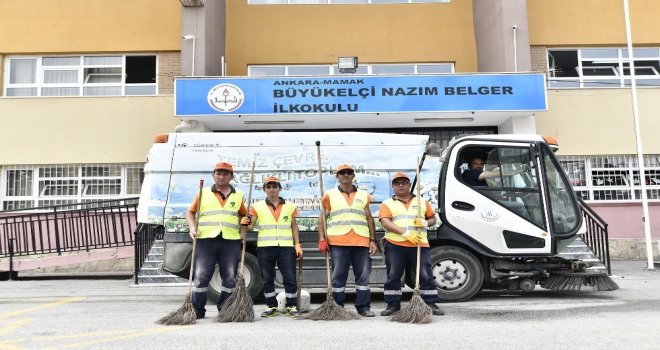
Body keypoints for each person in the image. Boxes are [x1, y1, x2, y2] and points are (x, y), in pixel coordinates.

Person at [186, 161, 247, 320]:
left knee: (229, 276)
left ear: (231, 177)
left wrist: (242, 228)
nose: (222, 176)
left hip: (230, 240)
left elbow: (243, 215)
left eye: (226, 174)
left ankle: (225, 309)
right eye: (219, 173)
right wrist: (192, 228)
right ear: (213, 175)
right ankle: (197, 309)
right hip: (206, 239)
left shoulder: (238, 195)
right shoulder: (202, 192)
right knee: (202, 275)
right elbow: (190, 212)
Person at [379, 172, 444, 316]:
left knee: (425, 275)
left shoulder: (421, 201)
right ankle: (393, 304)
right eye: (397, 183)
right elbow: (385, 222)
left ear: (409, 185)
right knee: (394, 275)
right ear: (393, 187)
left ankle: (431, 303)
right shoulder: (387, 203)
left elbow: (432, 219)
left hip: (419, 244)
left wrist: (426, 222)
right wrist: (405, 233)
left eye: (404, 182)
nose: (401, 185)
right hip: (395, 244)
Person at [317, 164, 378, 317]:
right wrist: (322, 239)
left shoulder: (363, 195)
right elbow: (322, 220)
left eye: (349, 172)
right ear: (337, 176)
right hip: (338, 241)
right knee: (338, 277)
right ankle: (338, 307)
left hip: (361, 241)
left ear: (353, 175)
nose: (345, 175)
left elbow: (369, 219)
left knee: (363, 276)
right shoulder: (330, 195)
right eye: (342, 173)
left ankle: (363, 307)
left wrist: (373, 240)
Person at [240, 176, 303, 318]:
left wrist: (297, 245)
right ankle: (271, 306)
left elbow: (294, 227)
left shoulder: (290, 206)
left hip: (286, 247)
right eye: (268, 187)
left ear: (279, 188)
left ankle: (291, 305)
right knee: (267, 277)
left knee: (289, 277)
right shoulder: (257, 207)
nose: (272, 190)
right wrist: (244, 222)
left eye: (274, 187)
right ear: (264, 189)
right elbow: (250, 227)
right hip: (265, 247)